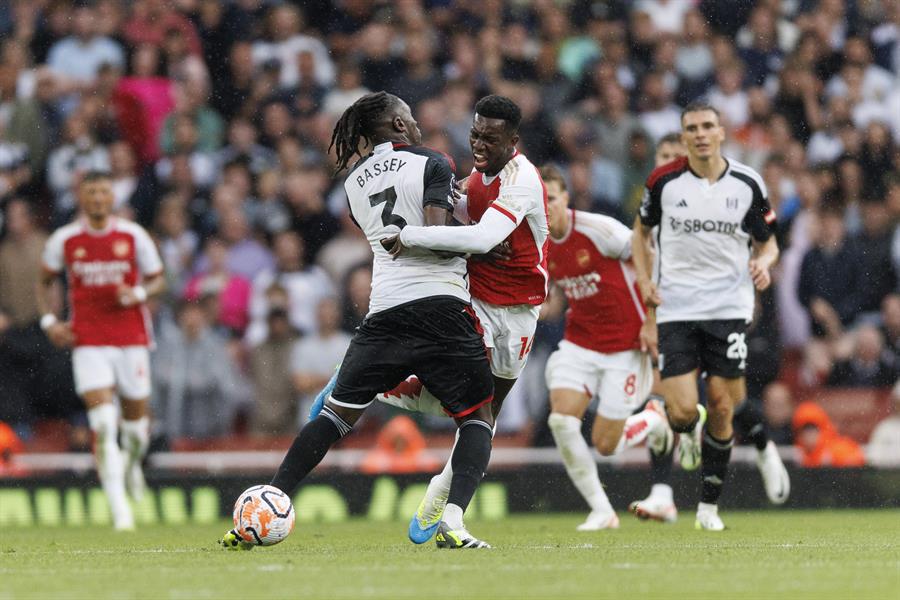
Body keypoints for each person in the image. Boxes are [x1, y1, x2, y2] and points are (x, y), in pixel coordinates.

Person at [222, 92, 495, 550]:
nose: (416, 122)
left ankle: (270, 498)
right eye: (409, 115)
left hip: (384, 313)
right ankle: (452, 519)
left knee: (334, 416)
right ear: (398, 124)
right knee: (477, 419)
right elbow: (435, 236)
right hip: (440, 307)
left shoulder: (351, 184)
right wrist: (485, 240)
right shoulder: (434, 161)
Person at [380, 95, 550, 543]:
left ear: (513, 141)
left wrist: (409, 236)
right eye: (475, 133)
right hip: (472, 302)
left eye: (490, 139)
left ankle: (439, 490)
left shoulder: (523, 180)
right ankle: (453, 518)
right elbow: (455, 220)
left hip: (519, 313)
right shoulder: (475, 179)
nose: (478, 144)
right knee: (470, 407)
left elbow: (484, 236)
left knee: (483, 416)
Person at [632, 102, 781, 531]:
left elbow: (768, 242)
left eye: (707, 126)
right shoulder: (664, 182)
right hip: (677, 308)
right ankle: (695, 429)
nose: (699, 134)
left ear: (721, 132)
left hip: (728, 309)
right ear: (683, 137)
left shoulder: (748, 183)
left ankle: (708, 509)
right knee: (680, 412)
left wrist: (764, 263)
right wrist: (645, 282)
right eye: (691, 128)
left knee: (723, 403)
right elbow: (640, 234)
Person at [540, 164, 673, 531]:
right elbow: (553, 295)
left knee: (606, 445)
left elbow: (648, 256)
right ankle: (602, 510)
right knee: (561, 421)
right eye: (538, 200)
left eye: (550, 198)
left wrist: (651, 321)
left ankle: (653, 420)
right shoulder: (538, 239)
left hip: (625, 344)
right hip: (581, 340)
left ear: (565, 198)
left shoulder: (599, 231)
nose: (545, 206)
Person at [37, 171, 165, 531]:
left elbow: (159, 278)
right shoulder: (64, 239)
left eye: (103, 192)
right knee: (104, 425)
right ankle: (119, 509)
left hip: (132, 338)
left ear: (112, 197)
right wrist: (49, 322)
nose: (97, 199)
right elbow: (44, 282)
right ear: (81, 197)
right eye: (91, 192)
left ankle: (133, 464)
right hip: (88, 340)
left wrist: (138, 294)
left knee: (136, 431)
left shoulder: (132, 235)